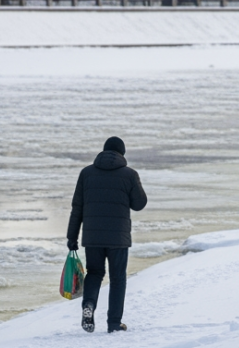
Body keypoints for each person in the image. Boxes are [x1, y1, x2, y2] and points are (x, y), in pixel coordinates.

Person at [67, 136, 148, 333]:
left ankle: (89, 305)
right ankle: (114, 323)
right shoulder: (129, 174)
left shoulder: (86, 173)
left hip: (92, 237)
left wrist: (72, 237)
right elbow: (139, 204)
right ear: (122, 153)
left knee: (94, 273)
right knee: (118, 278)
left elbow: (77, 207)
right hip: (118, 237)